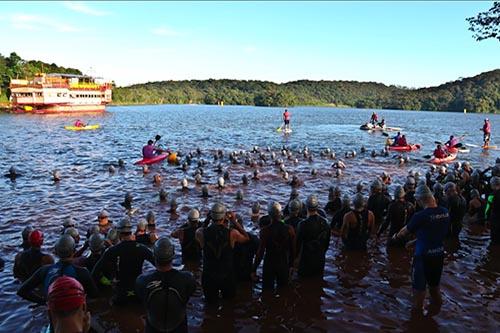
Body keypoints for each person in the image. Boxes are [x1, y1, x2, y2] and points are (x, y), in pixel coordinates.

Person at [393, 184, 449, 316]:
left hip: (423, 258)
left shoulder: (420, 216)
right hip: (439, 254)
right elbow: (434, 234)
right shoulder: (445, 212)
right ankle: (436, 316)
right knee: (435, 288)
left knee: (419, 293)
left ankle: (417, 322)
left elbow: (404, 232)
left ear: (420, 200)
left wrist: (395, 237)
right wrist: (415, 241)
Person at [136, 237, 196, 333]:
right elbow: (190, 293)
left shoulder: (142, 280)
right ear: (172, 256)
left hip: (153, 328)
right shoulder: (187, 278)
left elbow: (142, 298)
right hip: (178, 327)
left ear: (154, 256)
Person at [91, 217, 155, 305]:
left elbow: (95, 273)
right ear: (131, 232)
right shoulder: (142, 248)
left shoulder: (112, 250)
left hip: (121, 294)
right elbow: (160, 266)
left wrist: (108, 283)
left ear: (119, 234)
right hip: (138, 292)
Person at [18, 235, 98, 304]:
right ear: (73, 251)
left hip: (54, 314)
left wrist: (44, 302)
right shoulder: (82, 272)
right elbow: (95, 296)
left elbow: (22, 291)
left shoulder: (44, 270)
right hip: (75, 313)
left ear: (56, 252)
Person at [195, 202, 249, 303]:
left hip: (209, 275)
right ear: (224, 217)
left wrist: (207, 219)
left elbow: (200, 228)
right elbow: (246, 238)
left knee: (210, 307)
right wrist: (234, 221)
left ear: (211, 216)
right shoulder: (232, 233)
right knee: (229, 307)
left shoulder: (201, 233)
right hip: (227, 275)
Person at [252, 202, 296, 290]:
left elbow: (260, 252)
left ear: (269, 215)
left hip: (269, 263)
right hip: (283, 263)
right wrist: (292, 265)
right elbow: (293, 249)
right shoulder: (289, 229)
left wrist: (254, 269)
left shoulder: (265, 231)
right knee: (284, 292)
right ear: (280, 213)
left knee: (267, 292)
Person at [296, 195, 331, 277]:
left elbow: (298, 244)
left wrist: (296, 259)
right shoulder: (325, 222)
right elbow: (327, 243)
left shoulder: (302, 224)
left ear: (306, 207)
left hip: (306, 258)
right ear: (317, 206)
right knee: (318, 281)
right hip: (320, 258)